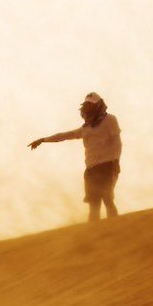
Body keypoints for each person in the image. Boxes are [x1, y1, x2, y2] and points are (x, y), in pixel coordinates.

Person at [28, 92, 123, 222]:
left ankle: (116, 228)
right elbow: (64, 136)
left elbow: (117, 142)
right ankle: (94, 235)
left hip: (107, 165)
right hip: (91, 169)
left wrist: (116, 161)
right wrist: (43, 140)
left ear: (99, 106)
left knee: (107, 199)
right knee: (94, 205)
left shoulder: (110, 120)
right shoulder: (85, 129)